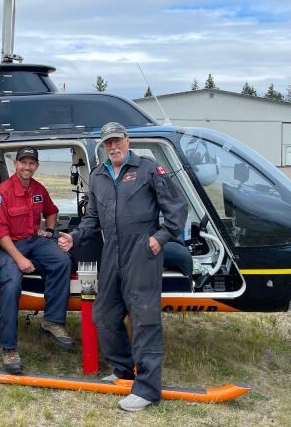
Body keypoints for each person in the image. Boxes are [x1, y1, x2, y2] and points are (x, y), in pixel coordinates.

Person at [58, 122, 188, 412]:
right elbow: (91, 219)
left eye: (118, 140)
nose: (113, 146)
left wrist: (161, 237)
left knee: (144, 319)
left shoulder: (148, 168)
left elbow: (176, 206)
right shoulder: (99, 175)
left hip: (142, 250)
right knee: (103, 314)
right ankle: (122, 370)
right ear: (103, 147)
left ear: (127, 141)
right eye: (108, 143)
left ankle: (148, 389)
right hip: (111, 251)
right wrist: (74, 237)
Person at [0, 147, 74, 374]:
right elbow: (0, 234)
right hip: (9, 246)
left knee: (62, 261)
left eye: (32, 163)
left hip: (33, 240)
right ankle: (9, 349)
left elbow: (51, 210)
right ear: (15, 164)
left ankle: (52, 321)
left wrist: (48, 229)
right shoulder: (2, 192)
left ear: (36, 166)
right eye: (23, 163)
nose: (27, 167)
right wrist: (19, 260)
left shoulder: (38, 189)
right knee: (11, 285)